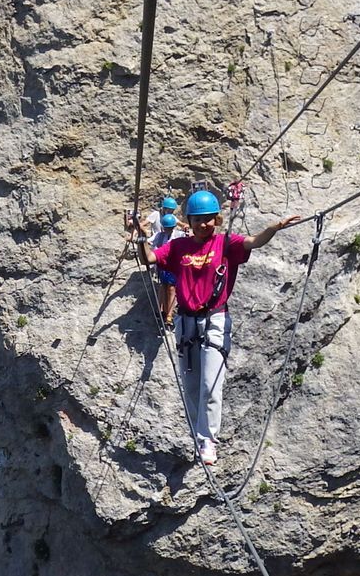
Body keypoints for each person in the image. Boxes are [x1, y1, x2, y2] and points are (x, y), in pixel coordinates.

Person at [126, 188, 302, 466]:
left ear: (216, 220)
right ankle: (199, 435)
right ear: (190, 221)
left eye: (208, 219)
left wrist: (276, 227)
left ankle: (208, 438)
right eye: (197, 219)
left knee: (210, 383)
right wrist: (141, 237)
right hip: (186, 321)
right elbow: (149, 259)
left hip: (215, 319)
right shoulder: (178, 247)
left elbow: (254, 242)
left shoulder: (226, 243)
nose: (203, 224)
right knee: (191, 386)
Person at [147, 196, 181, 325]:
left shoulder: (178, 235)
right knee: (163, 286)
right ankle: (161, 310)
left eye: (170, 228)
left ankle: (169, 314)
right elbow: (148, 241)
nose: (168, 230)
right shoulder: (159, 235)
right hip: (163, 265)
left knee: (171, 288)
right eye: (167, 228)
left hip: (173, 266)